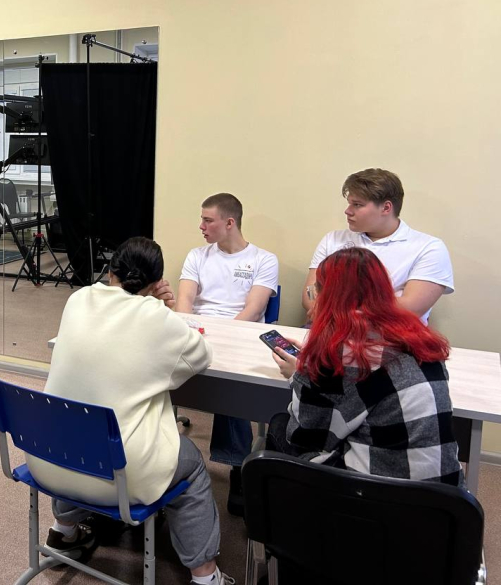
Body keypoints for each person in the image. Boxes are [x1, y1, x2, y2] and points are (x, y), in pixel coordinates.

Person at [28, 237, 234, 585]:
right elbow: (201, 355)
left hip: (50, 458)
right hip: (122, 475)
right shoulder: (157, 317)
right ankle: (205, 575)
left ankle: (64, 531)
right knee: (193, 465)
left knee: (80, 426)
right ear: (156, 282)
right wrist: (163, 309)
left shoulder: (78, 299)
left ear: (110, 271)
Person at [270, 247, 463, 487]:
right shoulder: (421, 342)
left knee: (279, 427)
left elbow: (306, 437)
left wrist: (300, 373)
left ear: (324, 295)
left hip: (375, 496)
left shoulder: (337, 352)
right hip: (446, 497)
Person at [173, 193, 279, 516]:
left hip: (240, 336)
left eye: (208, 220)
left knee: (232, 386)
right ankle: (159, 455)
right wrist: (189, 333)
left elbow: (254, 310)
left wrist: (220, 338)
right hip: (198, 333)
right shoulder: (197, 255)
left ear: (229, 223)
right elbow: (184, 302)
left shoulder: (264, 260)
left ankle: (237, 468)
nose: (201, 226)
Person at [302, 168, 453, 324]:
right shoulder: (333, 239)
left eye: (357, 204)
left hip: (391, 335)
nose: (347, 211)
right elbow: (310, 294)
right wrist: (317, 304)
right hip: (330, 330)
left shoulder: (428, 248)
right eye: (349, 203)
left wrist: (334, 303)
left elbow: (410, 308)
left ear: (386, 208)